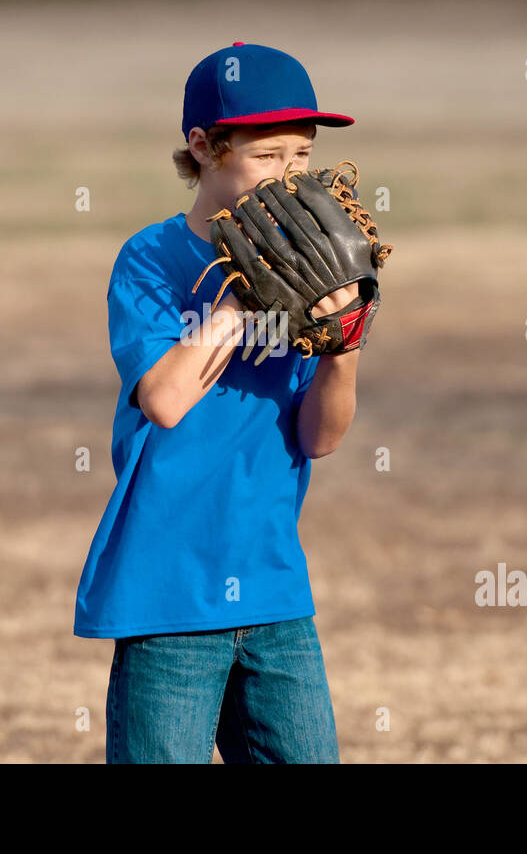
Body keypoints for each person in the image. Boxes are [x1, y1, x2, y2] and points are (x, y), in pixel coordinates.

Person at [73, 42, 364, 763]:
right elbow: (167, 400)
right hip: (167, 594)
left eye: (302, 155)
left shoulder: (312, 270)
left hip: (273, 588)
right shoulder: (150, 259)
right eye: (267, 156)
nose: (291, 177)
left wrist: (345, 344)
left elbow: (321, 436)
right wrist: (243, 284)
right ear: (203, 147)